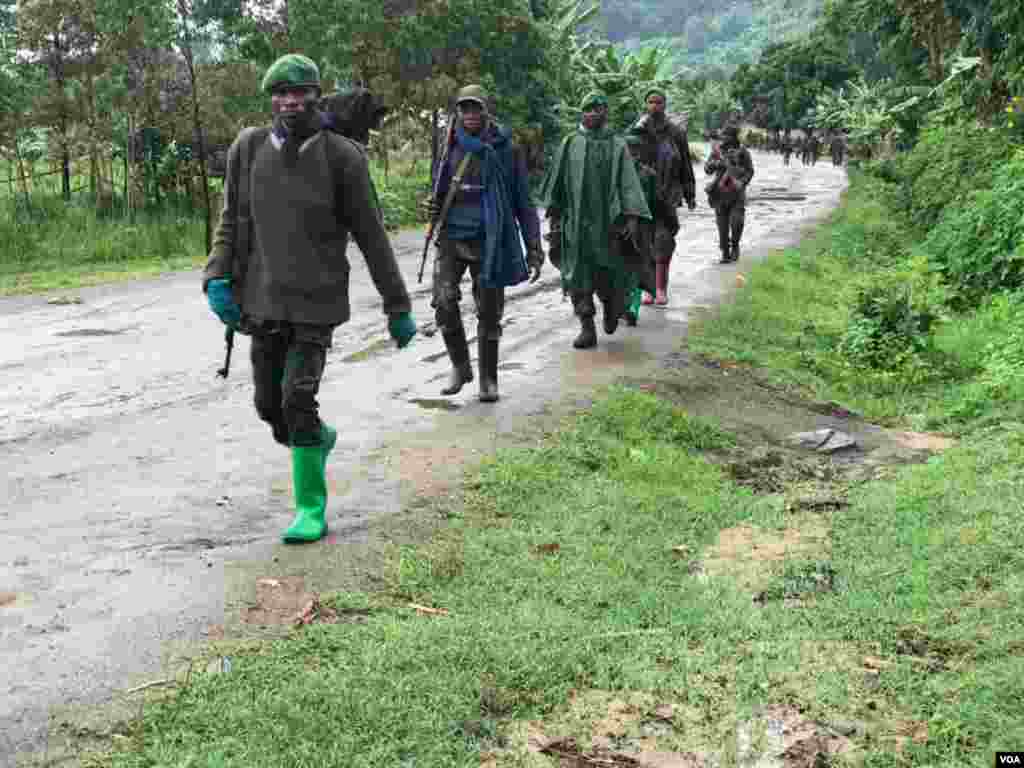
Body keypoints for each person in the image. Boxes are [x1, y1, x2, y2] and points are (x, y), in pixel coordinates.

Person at [202, 54, 417, 544]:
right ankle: (317, 439)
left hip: (317, 302)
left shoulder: (342, 156)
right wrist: (217, 277)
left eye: (301, 93)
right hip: (262, 300)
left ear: (317, 96)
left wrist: (397, 306)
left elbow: (372, 236)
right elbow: (231, 221)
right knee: (269, 407)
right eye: (282, 93)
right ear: (270, 99)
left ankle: (310, 509)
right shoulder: (248, 148)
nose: (291, 102)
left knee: (297, 398)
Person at [426, 84, 543, 402]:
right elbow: (436, 185)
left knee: (489, 312)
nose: (470, 115)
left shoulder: (505, 148)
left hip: (490, 239)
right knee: (444, 301)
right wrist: (432, 206)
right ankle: (460, 367)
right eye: (464, 109)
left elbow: (523, 201)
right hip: (452, 235)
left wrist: (534, 247)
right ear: (458, 112)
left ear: (486, 110)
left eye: (475, 108)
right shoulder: (448, 143)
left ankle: (488, 380)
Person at [541, 92, 652, 349]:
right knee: (578, 275)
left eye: (597, 109)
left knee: (610, 272)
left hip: (608, 225)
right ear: (582, 113)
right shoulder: (570, 143)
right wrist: (556, 219)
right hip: (576, 225)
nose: (592, 113)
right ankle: (586, 326)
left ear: (605, 112)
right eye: (587, 109)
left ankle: (612, 308)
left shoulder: (617, 144)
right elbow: (556, 183)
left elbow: (628, 184)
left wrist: (632, 218)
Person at [630, 89, 696, 307]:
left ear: (665, 105)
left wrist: (690, 194)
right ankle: (647, 289)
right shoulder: (637, 130)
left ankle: (660, 288)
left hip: (668, 195)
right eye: (650, 102)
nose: (655, 106)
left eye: (659, 102)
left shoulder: (676, 133)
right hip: (643, 196)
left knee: (664, 241)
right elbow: (627, 161)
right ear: (645, 104)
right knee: (644, 243)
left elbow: (685, 164)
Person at [704, 123, 754, 264]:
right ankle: (725, 252)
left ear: (733, 137)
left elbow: (750, 171)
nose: (723, 139)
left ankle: (735, 246)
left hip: (736, 194)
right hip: (720, 194)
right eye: (723, 136)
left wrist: (742, 182)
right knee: (722, 226)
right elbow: (707, 169)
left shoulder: (743, 152)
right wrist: (716, 164)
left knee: (737, 222)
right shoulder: (717, 151)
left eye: (726, 136)